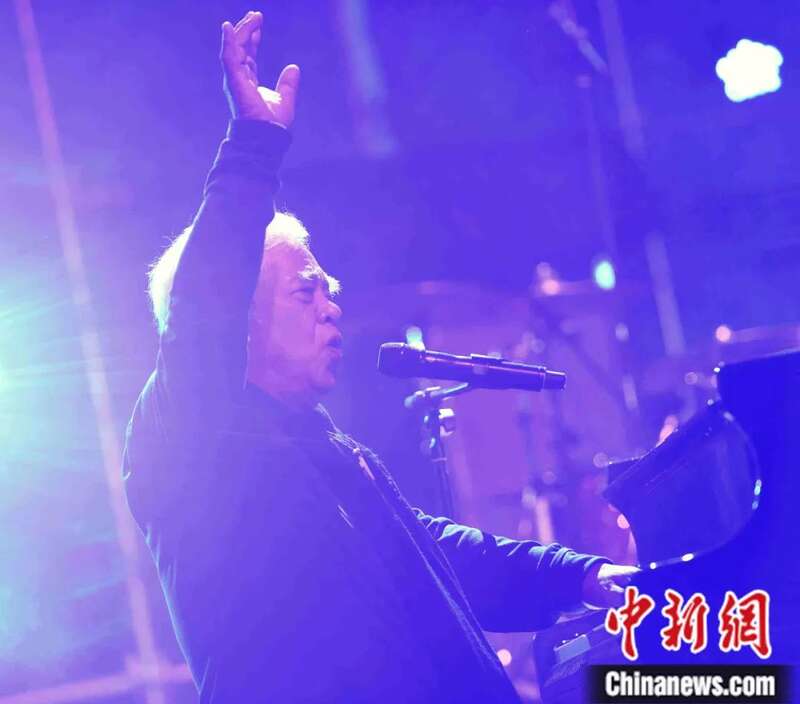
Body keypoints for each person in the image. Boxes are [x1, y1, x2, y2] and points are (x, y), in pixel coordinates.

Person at [123, 10, 637, 703]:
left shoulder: (326, 450)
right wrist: (253, 147)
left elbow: (434, 556)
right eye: (306, 292)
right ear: (235, 315)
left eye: (329, 292)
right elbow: (202, 306)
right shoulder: (190, 441)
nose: (331, 307)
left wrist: (579, 576)